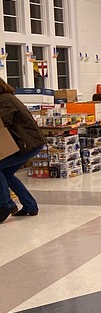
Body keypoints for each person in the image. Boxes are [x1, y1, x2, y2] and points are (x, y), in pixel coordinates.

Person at [0, 79, 45, 222]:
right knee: (6, 174)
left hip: (27, 143)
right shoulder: (8, 98)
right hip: (28, 142)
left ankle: (5, 204)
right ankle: (30, 206)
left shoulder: (5, 100)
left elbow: (4, 120)